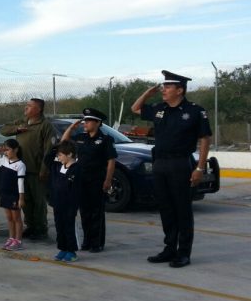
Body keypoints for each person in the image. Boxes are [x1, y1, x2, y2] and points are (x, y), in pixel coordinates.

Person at [132, 70, 212, 268]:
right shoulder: (160, 108)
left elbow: (205, 139)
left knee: (182, 209)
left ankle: (183, 253)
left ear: (180, 90)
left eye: (168, 87)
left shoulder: (195, 111)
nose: (164, 90)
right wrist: (147, 94)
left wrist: (200, 168)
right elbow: (135, 109)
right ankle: (169, 249)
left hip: (180, 164)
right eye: (164, 86)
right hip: (160, 163)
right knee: (166, 208)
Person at [60, 108, 117, 253]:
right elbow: (64, 142)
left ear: (97, 123)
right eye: (85, 120)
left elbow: (111, 161)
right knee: (84, 212)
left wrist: (108, 180)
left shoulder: (105, 140)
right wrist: (71, 128)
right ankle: (87, 241)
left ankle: (97, 243)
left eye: (89, 120)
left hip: (97, 179)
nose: (85, 123)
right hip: (81, 180)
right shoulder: (80, 137)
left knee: (96, 212)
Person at [0, 98, 54, 240]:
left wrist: (44, 170)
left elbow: (49, 150)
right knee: (26, 201)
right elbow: (4, 130)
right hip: (20, 170)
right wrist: (16, 129)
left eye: (29, 106)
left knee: (38, 202)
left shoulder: (45, 126)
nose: (26, 108)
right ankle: (30, 227)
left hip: (36, 171)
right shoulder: (22, 121)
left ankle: (41, 229)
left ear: (38, 109)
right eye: (26, 105)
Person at [45, 140, 83, 262]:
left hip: (69, 205)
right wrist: (55, 148)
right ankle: (63, 248)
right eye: (58, 155)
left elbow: (76, 190)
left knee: (69, 227)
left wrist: (73, 205)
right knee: (59, 226)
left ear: (70, 154)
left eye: (61, 155)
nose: (58, 157)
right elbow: (47, 160)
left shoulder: (77, 169)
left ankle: (72, 251)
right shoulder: (58, 166)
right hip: (57, 203)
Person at [0, 139, 27, 251]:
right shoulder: (4, 161)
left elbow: (20, 182)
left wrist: (21, 198)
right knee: (9, 218)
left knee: (16, 218)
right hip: (5, 194)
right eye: (5, 150)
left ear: (15, 149)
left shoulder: (20, 165)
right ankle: (11, 238)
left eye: (8, 150)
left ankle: (18, 241)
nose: (6, 152)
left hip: (14, 195)